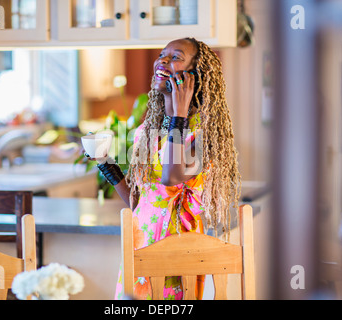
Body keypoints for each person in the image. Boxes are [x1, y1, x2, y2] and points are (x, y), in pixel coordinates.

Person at [86, 38, 241, 300]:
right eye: (162, 55)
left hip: (177, 251)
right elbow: (140, 202)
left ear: (194, 75)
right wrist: (106, 163)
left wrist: (179, 115)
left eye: (176, 57)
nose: (163, 60)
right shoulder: (147, 133)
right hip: (141, 245)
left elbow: (171, 177)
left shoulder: (204, 136)